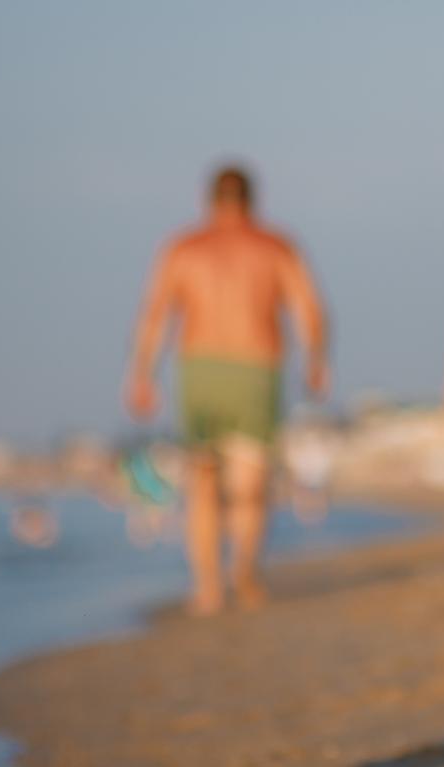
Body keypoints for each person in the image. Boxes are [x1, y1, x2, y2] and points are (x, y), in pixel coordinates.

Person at [125, 165, 328, 614]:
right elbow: (308, 307)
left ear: (209, 200)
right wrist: (316, 360)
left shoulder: (183, 249)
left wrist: (141, 374)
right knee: (250, 482)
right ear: (253, 200)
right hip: (257, 366)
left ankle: (208, 589)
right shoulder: (275, 246)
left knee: (203, 480)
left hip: (199, 368)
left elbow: (155, 315)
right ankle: (244, 573)